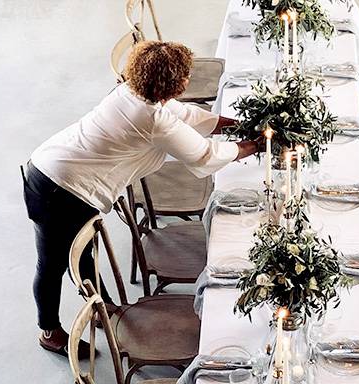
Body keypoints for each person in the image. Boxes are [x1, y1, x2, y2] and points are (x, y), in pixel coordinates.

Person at [23, 40, 261, 357]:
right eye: (184, 75)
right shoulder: (152, 120)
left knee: (84, 256)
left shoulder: (132, 92)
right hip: (59, 187)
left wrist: (237, 125)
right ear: (173, 83)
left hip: (54, 164)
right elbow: (205, 155)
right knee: (52, 264)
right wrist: (255, 145)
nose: (188, 79)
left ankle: (100, 307)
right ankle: (49, 331)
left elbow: (187, 115)